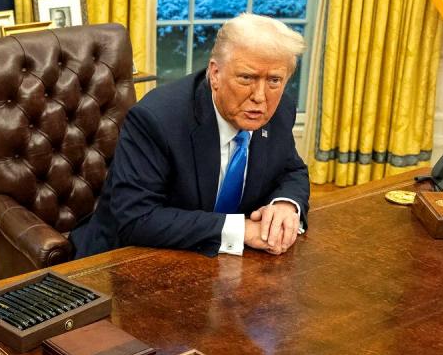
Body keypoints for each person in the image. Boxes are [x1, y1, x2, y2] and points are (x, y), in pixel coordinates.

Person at [73, 13, 309, 258]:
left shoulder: (280, 111)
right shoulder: (157, 119)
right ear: (215, 74)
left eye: (274, 80)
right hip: (125, 258)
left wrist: (285, 204)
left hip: (224, 261)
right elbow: (137, 218)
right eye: (246, 78)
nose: (260, 96)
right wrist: (242, 230)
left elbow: (292, 170)